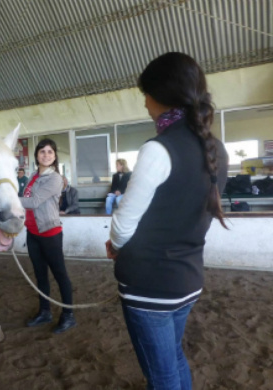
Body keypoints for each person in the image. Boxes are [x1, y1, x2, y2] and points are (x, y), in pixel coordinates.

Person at [105, 52, 228, 389]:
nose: (145, 103)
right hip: (188, 279)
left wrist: (115, 246)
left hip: (151, 287)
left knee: (161, 375)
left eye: (146, 94)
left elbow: (123, 222)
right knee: (173, 360)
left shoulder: (158, 149)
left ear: (161, 95)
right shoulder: (216, 148)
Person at [20, 139, 76, 334]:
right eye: (42, 151)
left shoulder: (55, 179)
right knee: (40, 274)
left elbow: (33, 202)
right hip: (32, 232)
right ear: (36, 155)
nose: (46, 155)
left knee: (60, 274)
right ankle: (45, 311)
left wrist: (8, 200)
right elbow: (27, 200)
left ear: (54, 156)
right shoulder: (32, 176)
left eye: (50, 152)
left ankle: (68, 315)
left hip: (49, 233)